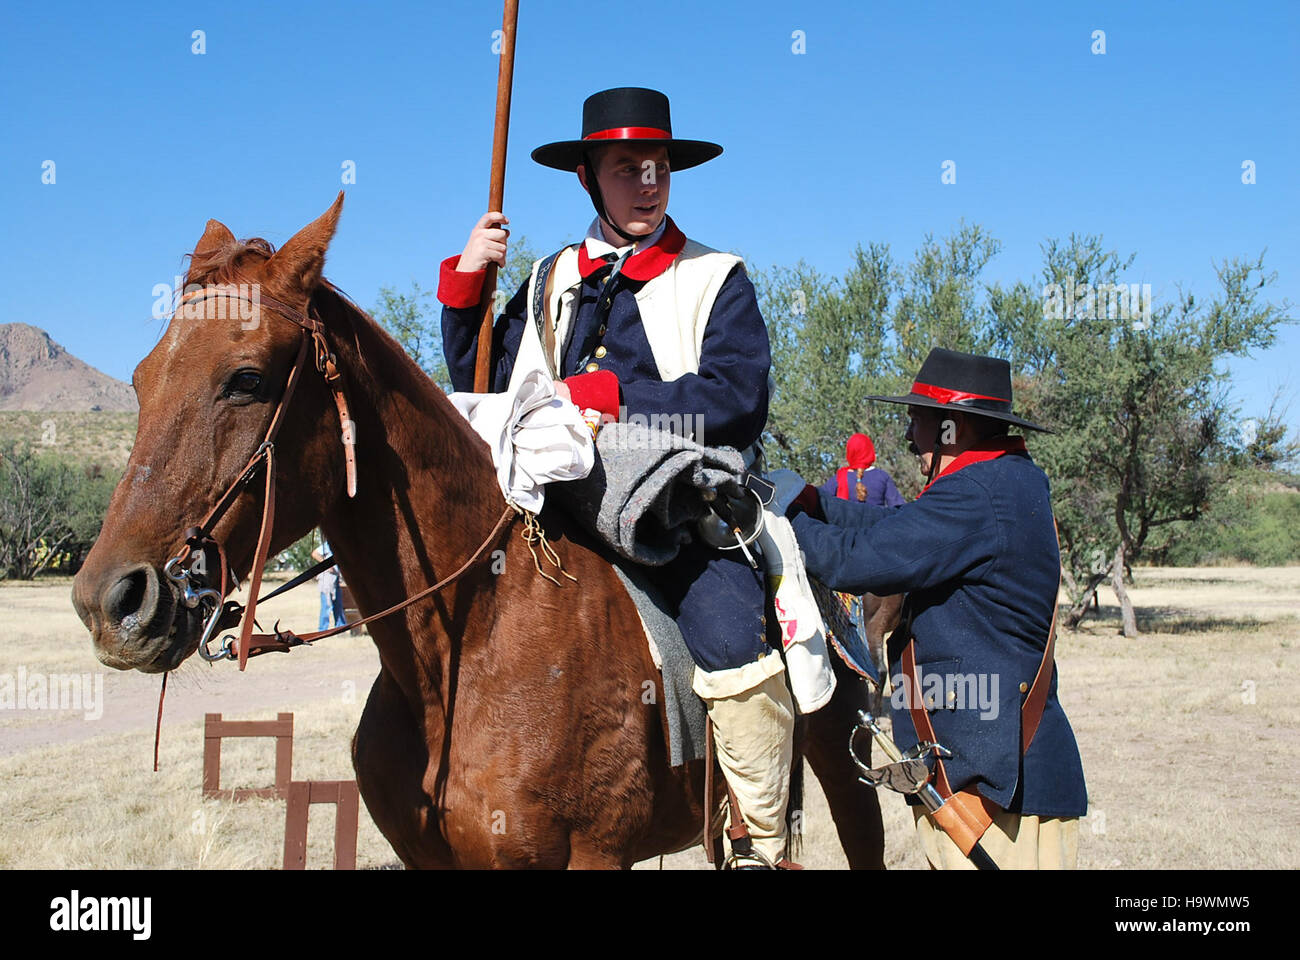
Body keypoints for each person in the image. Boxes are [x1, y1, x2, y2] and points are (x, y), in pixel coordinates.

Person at [437, 88, 793, 868]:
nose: (648, 181)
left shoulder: (716, 277)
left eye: (658, 165)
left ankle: (760, 837)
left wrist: (618, 400)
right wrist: (468, 282)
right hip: (552, 499)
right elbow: (485, 383)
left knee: (734, 636)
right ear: (587, 179)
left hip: (680, 500)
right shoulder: (544, 279)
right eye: (627, 167)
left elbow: (738, 402)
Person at [786, 348, 1087, 869]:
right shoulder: (1004, 480)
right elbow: (894, 528)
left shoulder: (976, 492)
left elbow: (860, 561)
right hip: (989, 782)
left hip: (995, 795)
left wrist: (774, 522)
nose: (909, 438)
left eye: (918, 421)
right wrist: (812, 503)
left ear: (954, 426)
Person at [818, 432, 904, 507]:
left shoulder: (840, 478)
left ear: (850, 453)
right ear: (870, 451)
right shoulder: (882, 476)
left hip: (848, 525)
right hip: (879, 524)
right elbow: (898, 506)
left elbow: (818, 499)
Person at [311, 539, 346, 631]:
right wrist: (327, 565)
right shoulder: (329, 544)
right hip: (327, 578)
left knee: (338, 604)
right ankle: (322, 630)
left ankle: (340, 627)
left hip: (335, 578)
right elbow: (315, 553)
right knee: (326, 605)